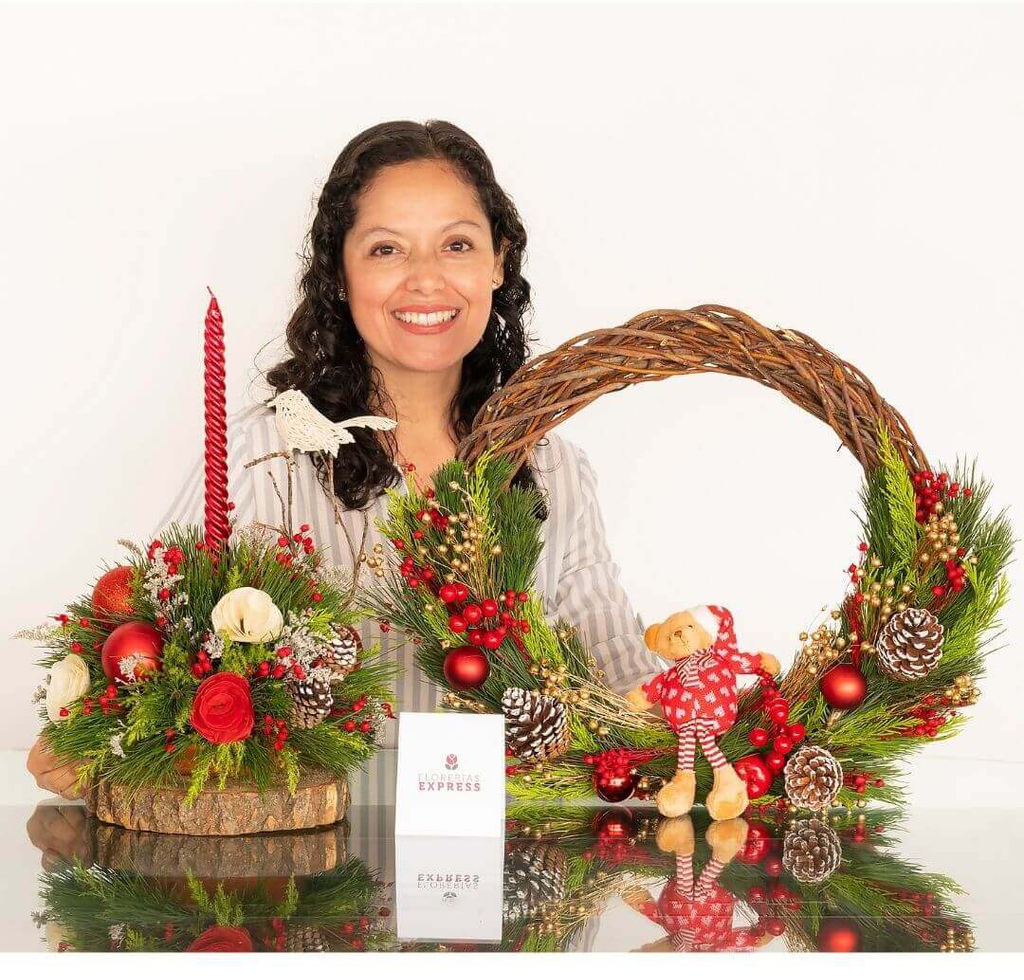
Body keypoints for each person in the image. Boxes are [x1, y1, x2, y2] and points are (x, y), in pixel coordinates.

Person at [27, 119, 666, 799]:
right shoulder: (264, 461)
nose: (427, 280)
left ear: (497, 262)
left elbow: (620, 680)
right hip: (310, 856)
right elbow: (136, 670)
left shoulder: (555, 470)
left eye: (456, 244)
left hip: (508, 856)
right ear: (338, 272)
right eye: (387, 249)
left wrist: (700, 722)